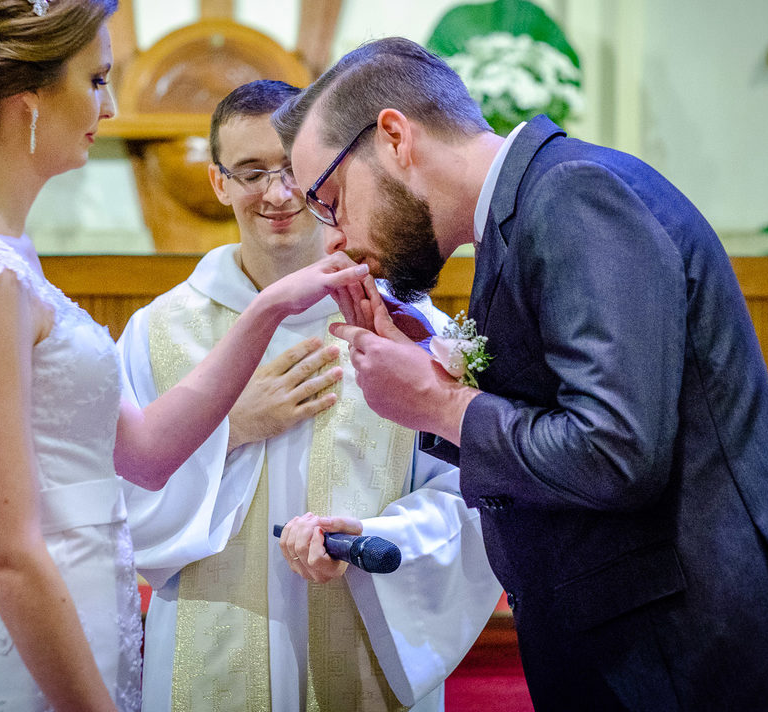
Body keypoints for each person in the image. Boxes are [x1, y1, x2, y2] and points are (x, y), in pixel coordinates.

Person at [271, 36, 768, 711]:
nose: (328, 236)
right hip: (650, 648)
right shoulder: (522, 214)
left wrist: (439, 408)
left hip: (695, 658)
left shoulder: (571, 195)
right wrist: (437, 381)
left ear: (394, 137)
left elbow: (616, 450)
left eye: (326, 199)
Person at [0, 0, 369, 712]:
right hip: (33, 648)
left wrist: (268, 308)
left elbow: (142, 452)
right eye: (97, 78)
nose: (108, 106)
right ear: (30, 99)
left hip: (79, 612)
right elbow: (8, 555)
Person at [116, 79, 501, 711]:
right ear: (219, 184)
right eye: (248, 172)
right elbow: (120, 508)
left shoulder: (405, 323)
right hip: (209, 644)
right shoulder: (160, 331)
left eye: (290, 169)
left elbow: (471, 494)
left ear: (324, 172)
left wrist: (373, 539)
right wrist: (230, 428)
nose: (276, 193)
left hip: (362, 633)